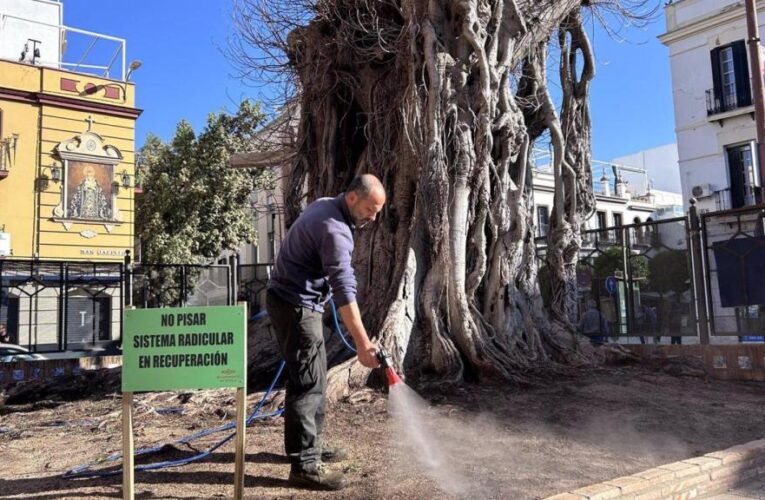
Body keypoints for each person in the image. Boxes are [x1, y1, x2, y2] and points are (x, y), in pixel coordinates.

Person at [266, 174, 385, 491]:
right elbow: (345, 291)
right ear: (352, 198)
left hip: (295, 300)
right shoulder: (335, 230)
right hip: (295, 305)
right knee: (306, 381)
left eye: (378, 211)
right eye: (371, 209)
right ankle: (304, 466)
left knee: (314, 376)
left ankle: (311, 445)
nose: (374, 218)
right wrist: (363, 346)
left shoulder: (325, 205)